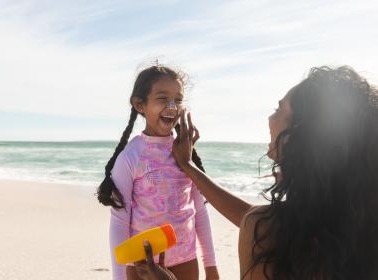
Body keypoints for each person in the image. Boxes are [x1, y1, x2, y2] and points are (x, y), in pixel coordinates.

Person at [135, 66, 378, 280]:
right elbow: (261, 218)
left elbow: (261, 223)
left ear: (300, 133)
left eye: (279, 108)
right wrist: (189, 168)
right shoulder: (353, 217)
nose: (269, 117)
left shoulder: (265, 235)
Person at [96, 65, 219, 280]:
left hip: (186, 260)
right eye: (163, 98)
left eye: (178, 100)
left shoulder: (185, 152)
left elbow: (199, 210)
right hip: (143, 265)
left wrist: (210, 265)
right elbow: (119, 221)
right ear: (140, 104)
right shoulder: (131, 157)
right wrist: (120, 276)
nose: (172, 106)